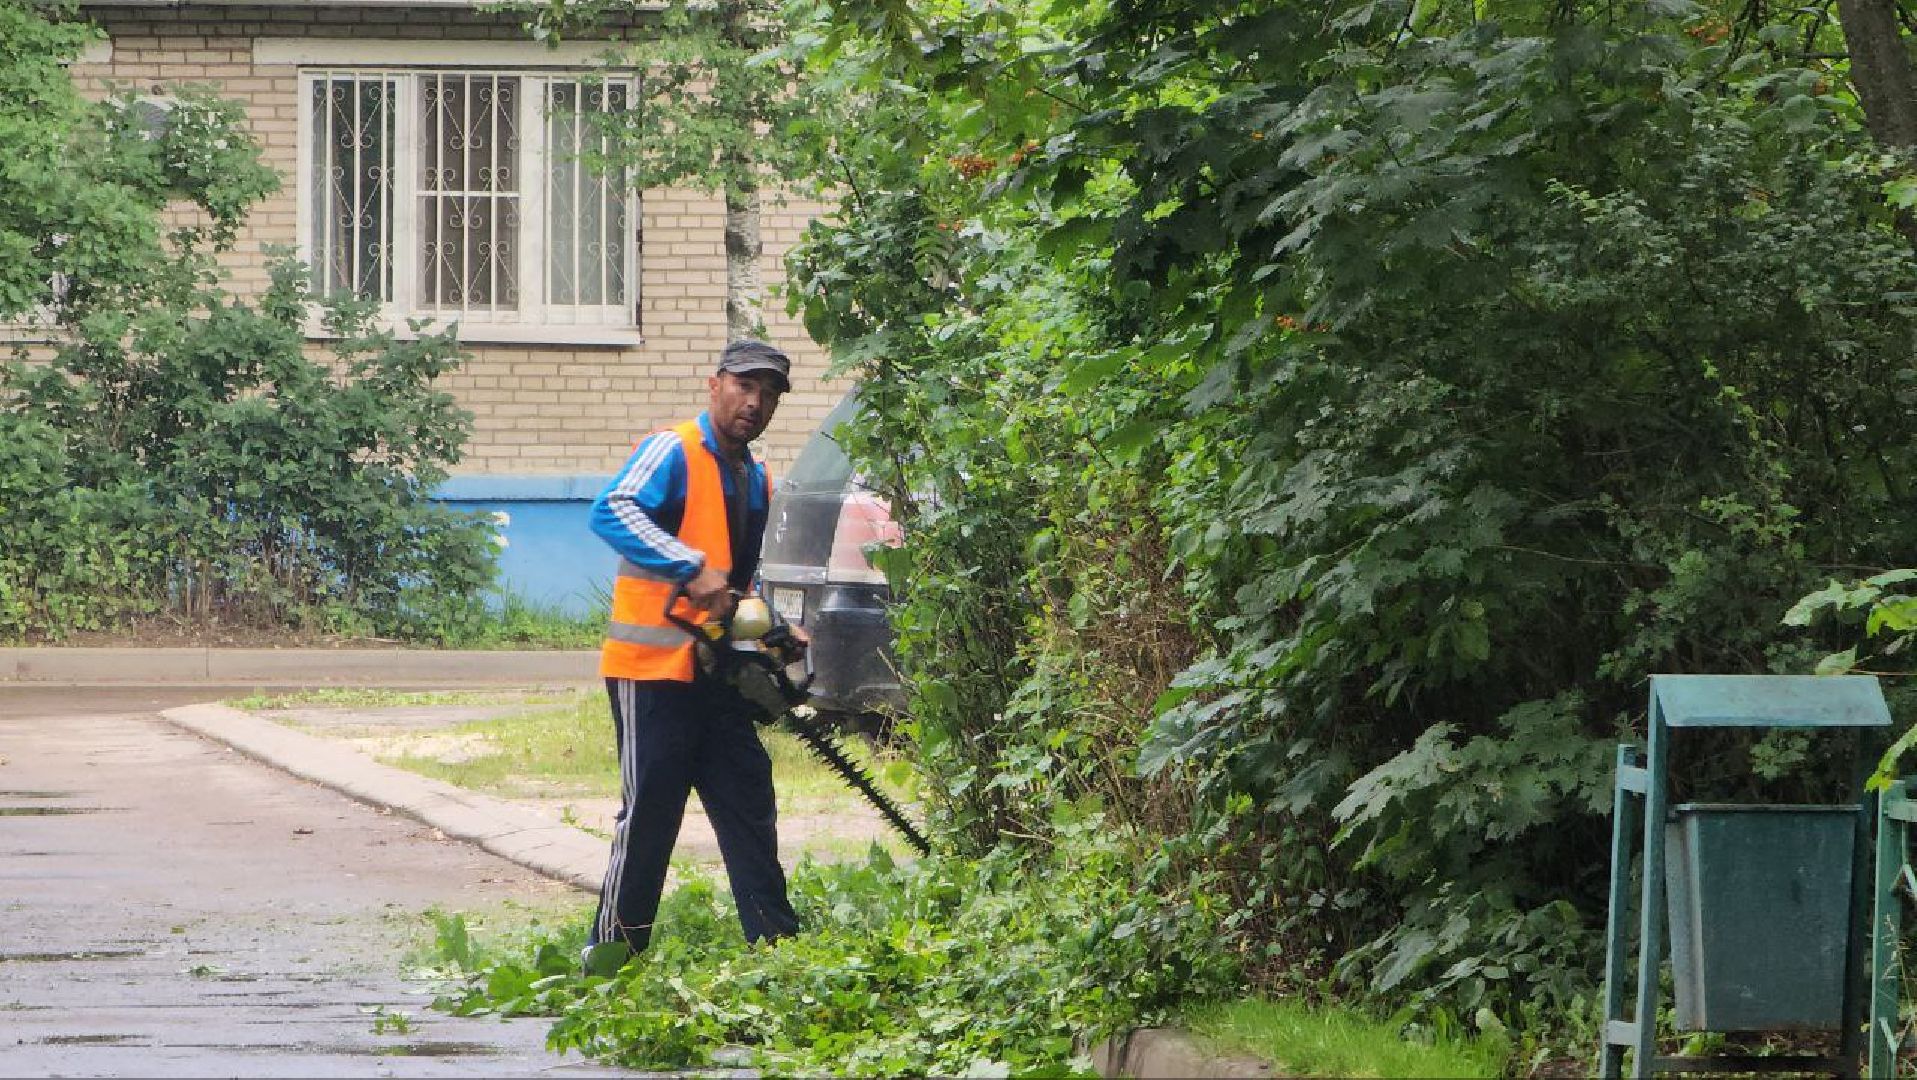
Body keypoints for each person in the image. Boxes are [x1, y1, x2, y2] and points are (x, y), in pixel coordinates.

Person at [584, 338, 803, 960]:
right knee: (650, 814)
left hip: (718, 674)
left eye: (768, 395)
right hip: (651, 670)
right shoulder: (672, 450)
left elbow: (739, 581)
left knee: (748, 800)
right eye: (744, 387)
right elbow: (613, 510)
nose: (754, 403)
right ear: (715, 385)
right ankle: (612, 957)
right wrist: (688, 565)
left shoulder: (755, 475)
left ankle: (779, 949)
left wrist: (775, 628)